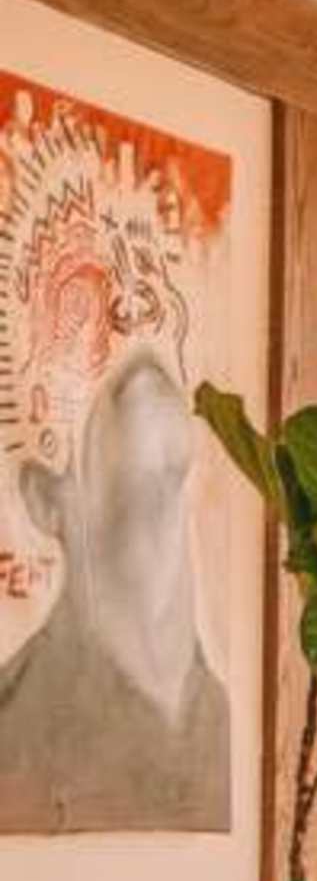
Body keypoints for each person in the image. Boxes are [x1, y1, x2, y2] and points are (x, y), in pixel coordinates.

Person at [0, 340, 230, 833]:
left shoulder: (219, 714)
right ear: (47, 501)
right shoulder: (18, 730)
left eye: (176, 479)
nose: (170, 520)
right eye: (139, 489)